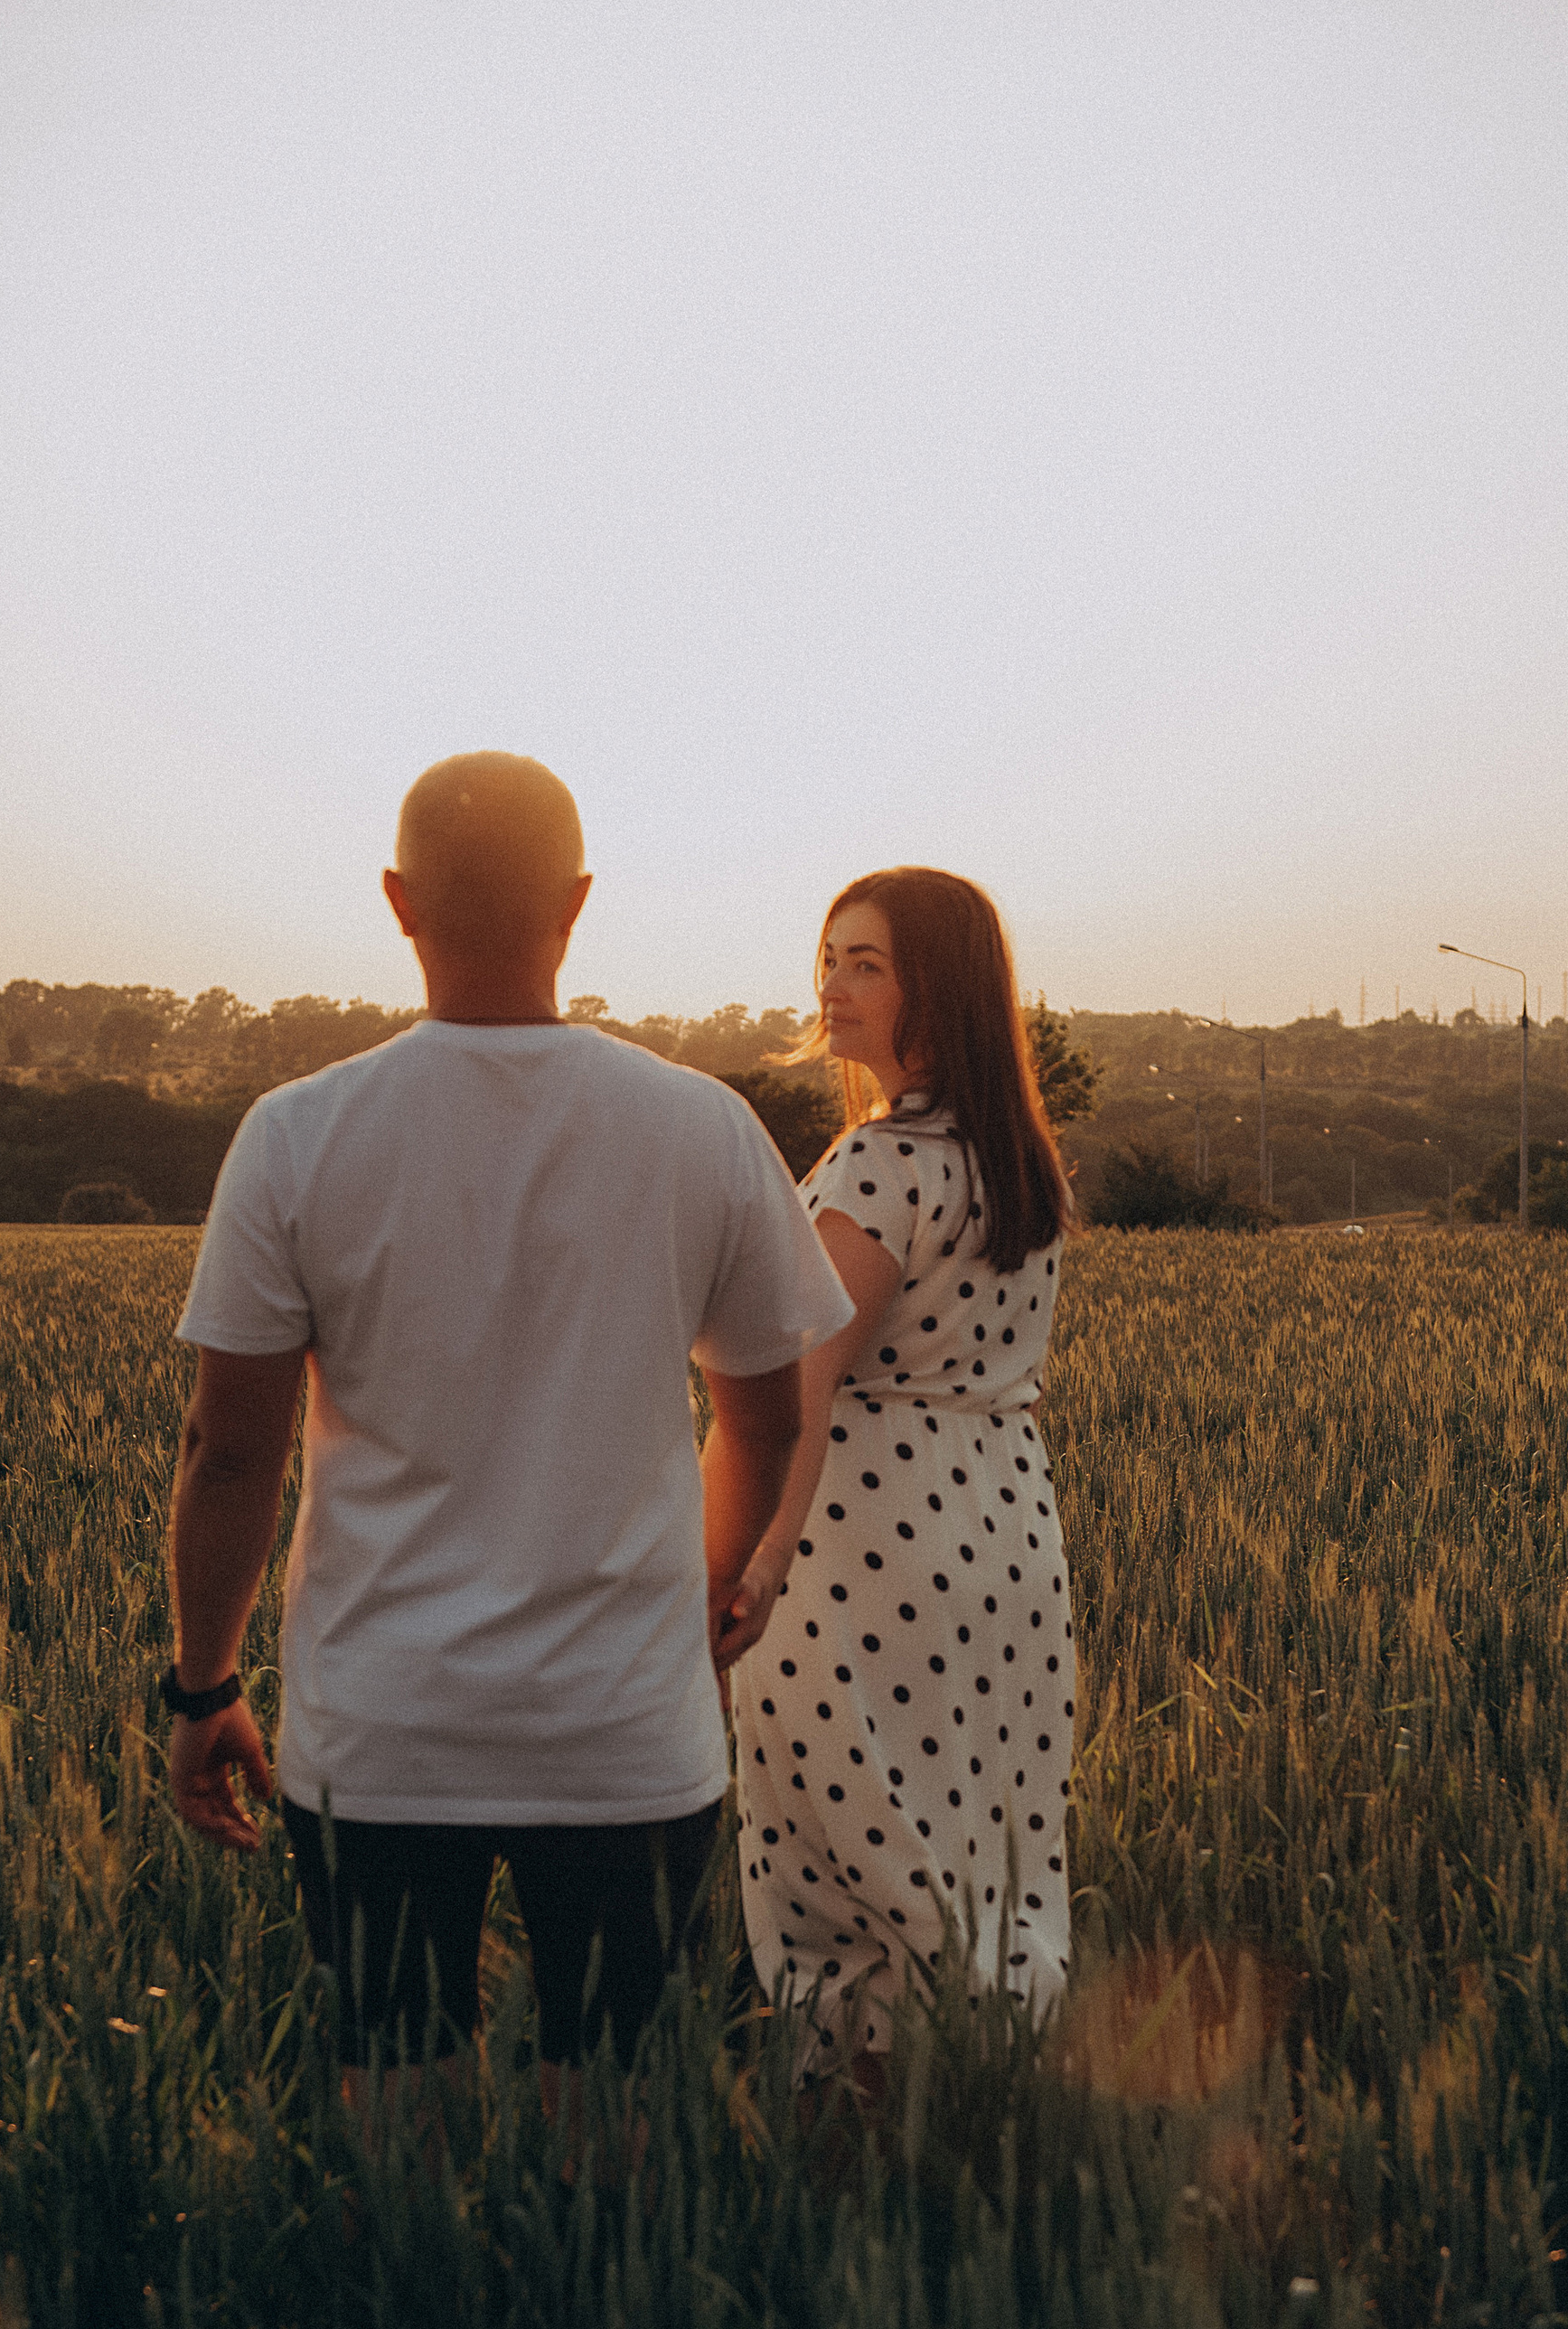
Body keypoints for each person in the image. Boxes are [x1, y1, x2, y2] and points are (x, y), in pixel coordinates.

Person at [163, 753, 852, 2121]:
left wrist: (202, 1687)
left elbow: (228, 1452)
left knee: (393, 2086)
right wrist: (705, 1613)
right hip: (625, 1727)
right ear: (578, 903)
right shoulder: (703, 1129)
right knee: (609, 2109)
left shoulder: (295, 1136)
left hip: (381, 1726)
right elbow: (767, 1423)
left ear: (398, 901)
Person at [723, 869, 1077, 2078]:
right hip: (1005, 1536)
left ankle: (864, 2124)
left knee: (843, 1859)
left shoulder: (879, 1164)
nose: (832, 987)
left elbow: (798, 1392)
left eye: (866, 963)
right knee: (982, 1845)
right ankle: (991, 2095)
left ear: (940, 986)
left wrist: (754, 1561)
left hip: (862, 1551)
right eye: (828, 957)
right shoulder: (1007, 1158)